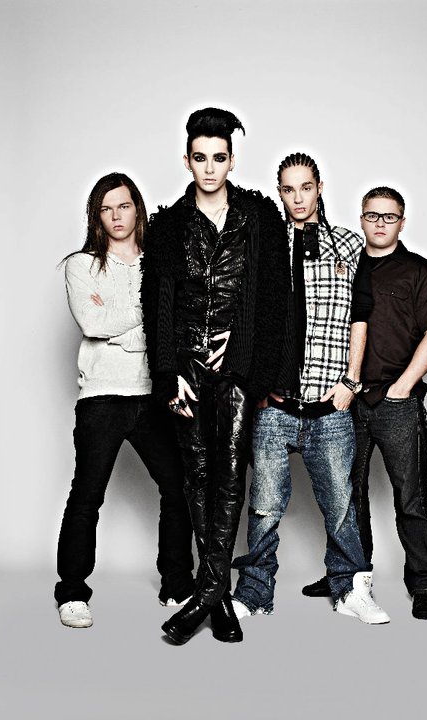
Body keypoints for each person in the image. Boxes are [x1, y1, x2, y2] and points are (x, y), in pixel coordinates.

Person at [141, 108, 290, 644]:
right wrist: (168, 374)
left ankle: (205, 596)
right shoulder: (168, 226)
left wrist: (247, 358)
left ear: (232, 160)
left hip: (237, 371)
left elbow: (275, 299)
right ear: (187, 160)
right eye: (200, 158)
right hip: (186, 371)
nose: (210, 168)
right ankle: (219, 596)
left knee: (229, 473)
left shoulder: (260, 217)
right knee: (196, 476)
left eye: (219, 158)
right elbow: (157, 305)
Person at [231, 153, 390, 624]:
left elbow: (360, 318)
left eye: (305, 187)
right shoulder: (265, 246)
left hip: (330, 404)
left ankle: (350, 590)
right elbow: (247, 315)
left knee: (341, 506)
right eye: (288, 189)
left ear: (320, 187)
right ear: (279, 193)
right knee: (264, 507)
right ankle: (253, 593)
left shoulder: (349, 245)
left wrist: (350, 383)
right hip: (275, 406)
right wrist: (257, 386)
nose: (297, 198)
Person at [303, 186, 427, 620]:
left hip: (395, 403)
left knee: (411, 496)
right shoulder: (345, 266)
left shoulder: (420, 272)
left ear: (402, 222)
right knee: (346, 495)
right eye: (372, 215)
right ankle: (349, 576)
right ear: (362, 219)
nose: (380, 223)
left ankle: (424, 585)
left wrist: (403, 386)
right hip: (346, 400)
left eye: (389, 216)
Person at [55, 172, 194, 628]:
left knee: (177, 488)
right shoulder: (81, 265)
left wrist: (128, 324)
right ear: (96, 216)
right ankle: (72, 593)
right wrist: (149, 316)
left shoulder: (159, 263)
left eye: (124, 205)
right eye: (106, 208)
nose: (116, 216)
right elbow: (93, 323)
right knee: (87, 495)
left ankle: (177, 583)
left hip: (153, 395)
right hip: (101, 398)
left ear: (138, 210)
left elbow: (174, 324)